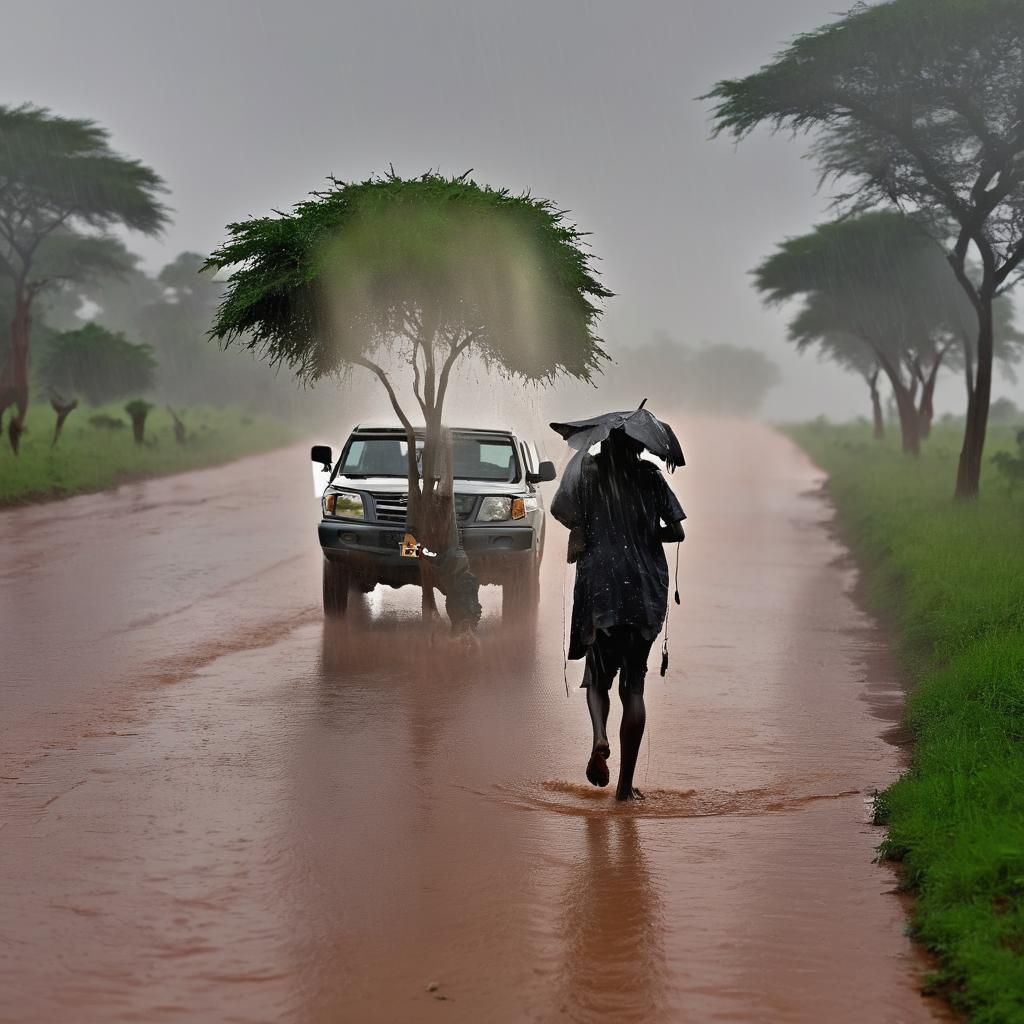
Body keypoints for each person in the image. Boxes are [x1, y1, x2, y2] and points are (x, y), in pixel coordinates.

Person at [550, 427, 685, 801]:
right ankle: (624, 791)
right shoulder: (651, 479)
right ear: (641, 449)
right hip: (643, 590)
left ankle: (599, 737)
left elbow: (560, 509)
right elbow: (677, 532)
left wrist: (591, 523)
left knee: (597, 676)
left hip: (601, 587)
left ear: (606, 442)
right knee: (633, 687)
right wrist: (645, 532)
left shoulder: (589, 474)